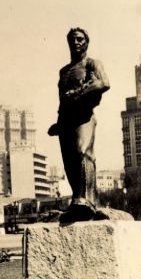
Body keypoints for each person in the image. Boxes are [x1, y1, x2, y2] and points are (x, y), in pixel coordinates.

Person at [48, 28, 110, 222]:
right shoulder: (64, 71)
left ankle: (86, 200)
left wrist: (77, 94)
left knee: (83, 152)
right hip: (66, 120)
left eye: (80, 39)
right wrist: (58, 123)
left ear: (86, 43)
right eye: (72, 40)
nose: (76, 42)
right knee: (69, 161)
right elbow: (61, 99)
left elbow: (103, 83)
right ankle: (78, 199)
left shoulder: (92, 63)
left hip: (84, 116)